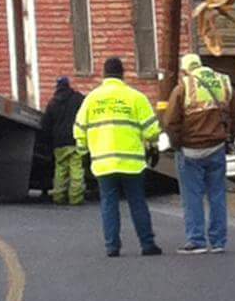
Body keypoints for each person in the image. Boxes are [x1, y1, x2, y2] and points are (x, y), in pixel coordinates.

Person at [74, 57, 162, 258]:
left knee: (109, 203)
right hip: (132, 162)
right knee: (137, 202)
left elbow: (79, 130)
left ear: (104, 74)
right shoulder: (136, 97)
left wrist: (83, 153)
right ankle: (147, 244)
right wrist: (152, 146)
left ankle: (112, 246)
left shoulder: (91, 99)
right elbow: (151, 131)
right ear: (122, 74)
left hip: (103, 163)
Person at [164, 53, 235, 254]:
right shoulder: (223, 82)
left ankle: (196, 240)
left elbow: (170, 121)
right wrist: (229, 136)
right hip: (217, 147)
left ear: (185, 70)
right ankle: (218, 241)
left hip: (190, 149)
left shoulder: (183, 87)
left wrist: (176, 144)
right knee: (217, 195)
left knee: (192, 197)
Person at [41, 76, 86, 205]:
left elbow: (46, 124)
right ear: (68, 85)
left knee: (60, 170)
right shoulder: (78, 99)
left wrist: (48, 141)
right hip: (75, 140)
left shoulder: (52, 103)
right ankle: (75, 198)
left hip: (59, 142)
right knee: (76, 169)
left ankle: (59, 196)